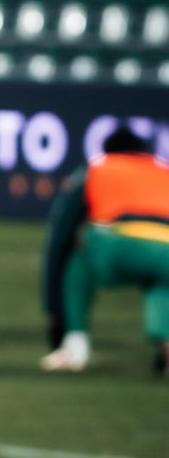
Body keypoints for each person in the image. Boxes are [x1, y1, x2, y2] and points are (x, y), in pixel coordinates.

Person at [40, 127, 169, 376]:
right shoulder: (163, 169)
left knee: (79, 247)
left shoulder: (98, 167)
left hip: (122, 242)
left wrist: (55, 312)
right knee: (163, 282)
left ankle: (75, 347)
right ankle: (166, 350)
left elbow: (60, 235)